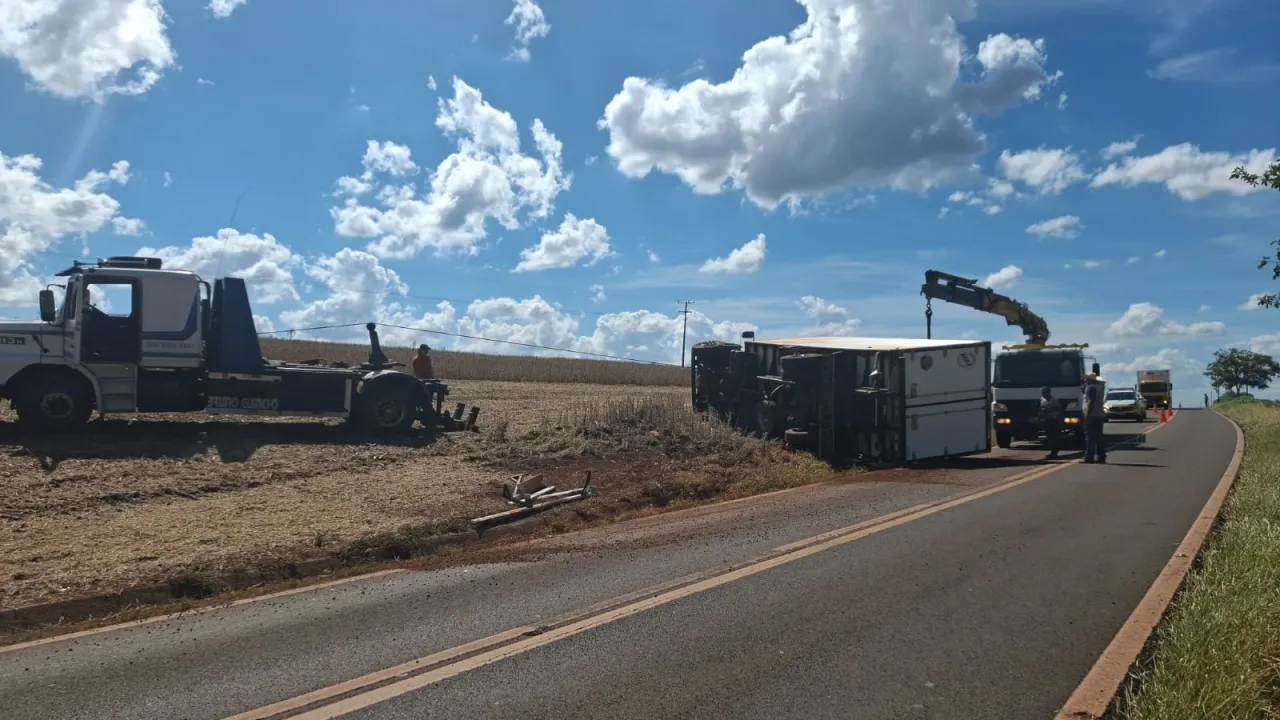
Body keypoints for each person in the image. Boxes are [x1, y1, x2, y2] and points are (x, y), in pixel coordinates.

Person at [1082, 373, 1107, 464]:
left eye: (1086, 379)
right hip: (1099, 414)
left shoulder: (1090, 388)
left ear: (1089, 380)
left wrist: (1087, 414)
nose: (1085, 380)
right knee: (1099, 437)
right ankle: (1101, 456)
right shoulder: (1099, 388)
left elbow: (1090, 402)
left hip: (1092, 415)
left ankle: (1089, 457)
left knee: (1090, 437)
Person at [1038, 386, 1063, 460]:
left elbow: (1058, 410)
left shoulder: (1054, 400)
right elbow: (1041, 409)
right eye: (1042, 393)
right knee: (1049, 437)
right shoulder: (1042, 400)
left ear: (1048, 393)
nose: (1042, 394)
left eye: (1044, 392)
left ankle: (1055, 452)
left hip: (1053, 420)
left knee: (1054, 437)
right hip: (1046, 420)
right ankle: (1052, 452)